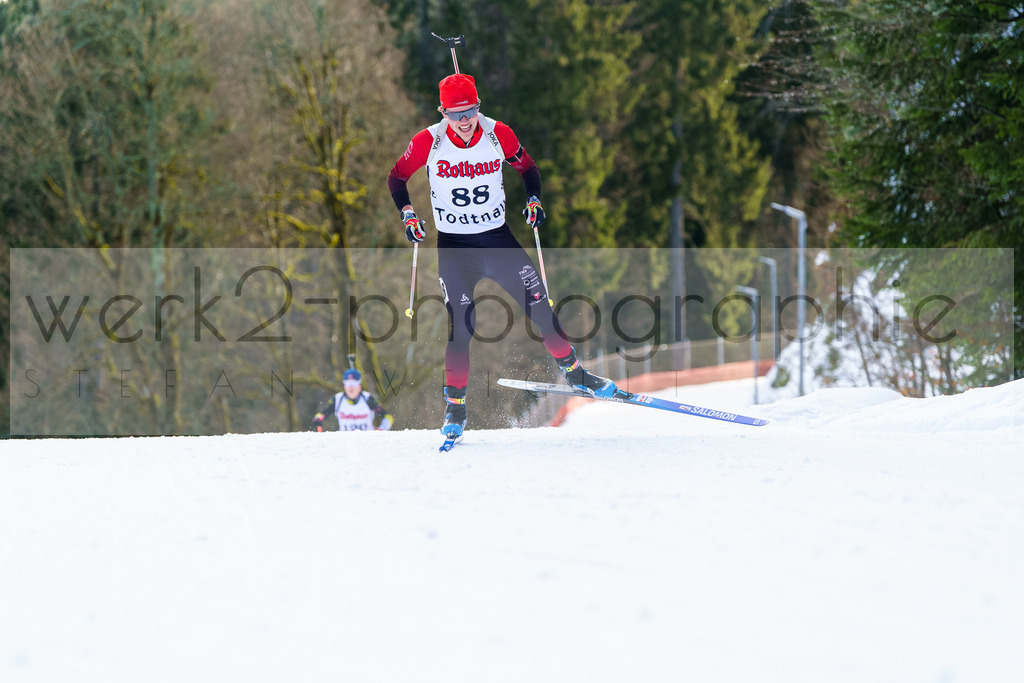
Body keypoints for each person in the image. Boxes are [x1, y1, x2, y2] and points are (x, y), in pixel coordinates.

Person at [387, 72, 616, 440]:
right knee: (461, 324)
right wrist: (408, 214)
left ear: (479, 107)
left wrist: (534, 199)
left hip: (498, 241)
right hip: (456, 248)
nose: (463, 121)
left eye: (470, 111)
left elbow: (528, 168)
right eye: (455, 113)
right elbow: (397, 178)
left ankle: (576, 375)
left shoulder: (498, 133)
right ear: (442, 111)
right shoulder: (428, 140)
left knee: (540, 307)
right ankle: (456, 408)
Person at [312, 369, 394, 432]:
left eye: (354, 383)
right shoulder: (338, 399)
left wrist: (381, 430)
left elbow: (387, 417)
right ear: (344, 386)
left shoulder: (368, 399)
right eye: (348, 383)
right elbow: (324, 413)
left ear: (359, 386)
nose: (351, 387)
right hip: (346, 444)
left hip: (367, 443)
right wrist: (318, 418)